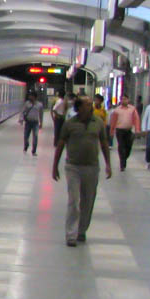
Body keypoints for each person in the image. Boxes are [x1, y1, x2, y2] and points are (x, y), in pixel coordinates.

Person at [52, 96, 112, 247]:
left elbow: (104, 143)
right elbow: (60, 144)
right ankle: (71, 234)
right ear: (79, 107)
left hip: (92, 167)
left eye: (91, 104)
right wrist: (55, 166)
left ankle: (81, 230)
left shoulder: (98, 122)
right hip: (73, 167)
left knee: (88, 200)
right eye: (87, 104)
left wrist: (108, 164)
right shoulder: (70, 124)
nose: (91, 106)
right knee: (74, 200)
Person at [108, 94, 141, 171]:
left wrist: (137, 130)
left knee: (128, 146)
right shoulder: (117, 110)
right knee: (121, 146)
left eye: (125, 99)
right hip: (120, 130)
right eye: (122, 99)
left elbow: (136, 120)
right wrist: (111, 131)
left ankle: (124, 157)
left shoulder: (132, 109)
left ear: (128, 100)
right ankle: (122, 164)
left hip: (129, 130)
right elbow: (113, 121)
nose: (124, 101)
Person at [18, 92, 43, 156]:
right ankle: (26, 145)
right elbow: (22, 111)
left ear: (34, 97)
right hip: (28, 122)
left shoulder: (40, 105)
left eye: (31, 96)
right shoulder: (27, 104)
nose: (29, 97)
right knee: (26, 136)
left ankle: (34, 151)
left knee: (35, 136)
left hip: (35, 122)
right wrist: (21, 119)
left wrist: (41, 123)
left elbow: (41, 115)